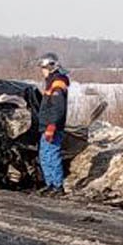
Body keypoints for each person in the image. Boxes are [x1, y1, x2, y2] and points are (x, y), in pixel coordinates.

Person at [37, 53, 71, 197]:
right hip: (46, 125)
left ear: (50, 67)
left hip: (52, 127)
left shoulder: (57, 84)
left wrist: (52, 126)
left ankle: (58, 186)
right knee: (45, 156)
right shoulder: (51, 82)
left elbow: (58, 108)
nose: (42, 71)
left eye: (43, 68)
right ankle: (50, 184)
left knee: (52, 155)